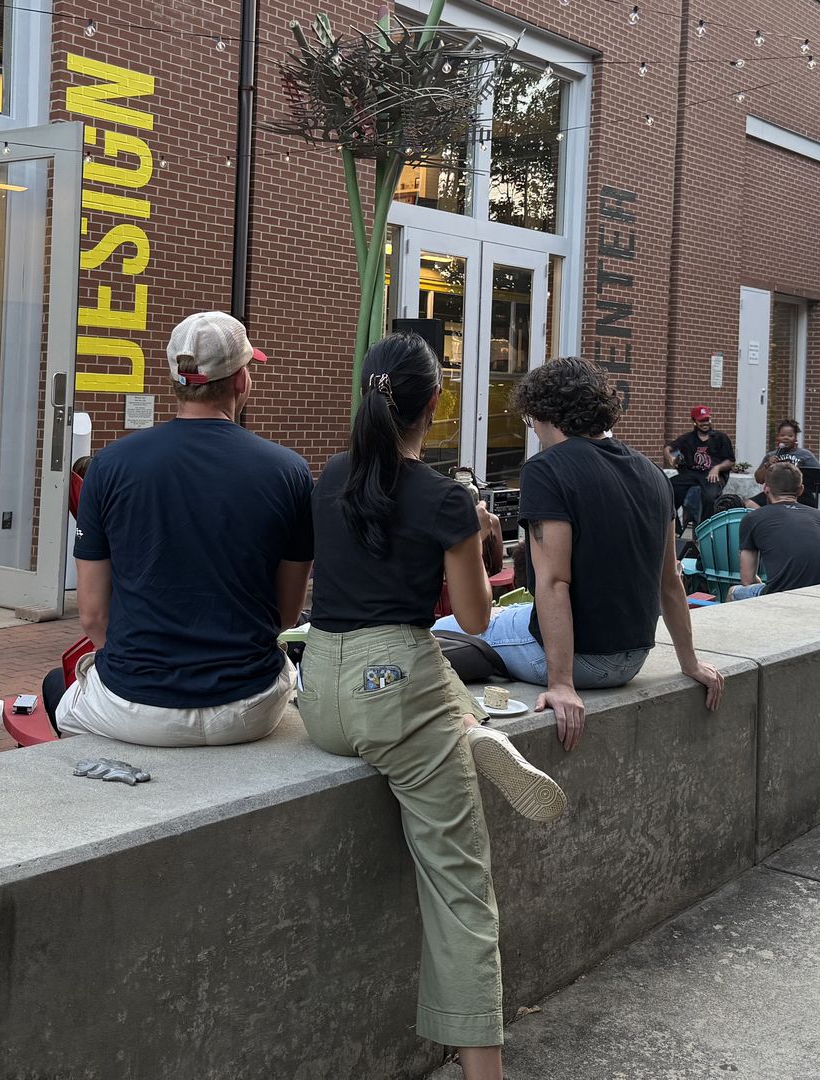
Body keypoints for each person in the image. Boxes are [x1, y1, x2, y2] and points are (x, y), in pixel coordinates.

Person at [300, 332, 564, 1080]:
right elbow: (476, 618)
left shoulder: (332, 476)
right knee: (461, 888)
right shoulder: (446, 498)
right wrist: (479, 537)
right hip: (395, 691)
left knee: (428, 670)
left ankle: (466, 727)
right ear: (436, 403)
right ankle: (484, 1072)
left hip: (320, 685)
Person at [50, 310, 313, 747]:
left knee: (53, 691)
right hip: (249, 707)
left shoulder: (109, 466)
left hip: (134, 708)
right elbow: (286, 615)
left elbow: (93, 617)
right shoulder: (289, 471)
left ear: (175, 379)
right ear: (241, 380)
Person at [438, 358, 724, 752]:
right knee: (512, 615)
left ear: (546, 413)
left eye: (531, 420)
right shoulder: (653, 473)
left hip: (581, 663)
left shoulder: (545, 469)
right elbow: (670, 580)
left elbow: (554, 580)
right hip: (634, 657)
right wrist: (689, 662)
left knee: (442, 631)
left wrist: (561, 684)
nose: (534, 430)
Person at [728, 462, 820, 600]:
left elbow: (747, 580)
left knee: (733, 592)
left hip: (784, 596)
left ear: (766, 488)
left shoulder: (753, 518)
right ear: (801, 490)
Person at [668, 406, 735, 526]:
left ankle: (705, 528)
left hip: (712, 475)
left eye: (707, 420)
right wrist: (671, 458)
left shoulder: (720, 438)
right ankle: (675, 528)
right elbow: (668, 448)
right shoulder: (687, 439)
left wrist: (717, 468)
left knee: (710, 498)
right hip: (691, 474)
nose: (705, 423)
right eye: (701, 420)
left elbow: (730, 461)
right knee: (669, 488)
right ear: (694, 421)